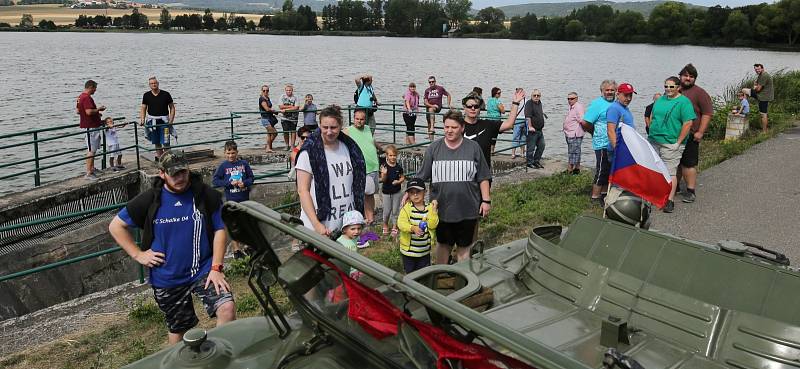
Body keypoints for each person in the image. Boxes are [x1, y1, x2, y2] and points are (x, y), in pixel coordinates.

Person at [108, 150, 235, 345]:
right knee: (179, 328)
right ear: (162, 174)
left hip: (203, 270)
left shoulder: (204, 195)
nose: (180, 178)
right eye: (174, 174)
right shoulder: (150, 200)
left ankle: (221, 356)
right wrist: (138, 254)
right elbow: (116, 226)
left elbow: (219, 230)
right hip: (168, 277)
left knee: (227, 308)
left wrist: (216, 267)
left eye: (183, 172)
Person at [417, 110, 491, 264]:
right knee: (443, 245)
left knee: (465, 247)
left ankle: (462, 278)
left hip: (468, 209)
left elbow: (483, 176)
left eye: (454, 127)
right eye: (446, 127)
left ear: (462, 128)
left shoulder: (473, 148)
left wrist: (486, 201)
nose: (449, 131)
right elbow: (421, 176)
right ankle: (441, 276)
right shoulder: (433, 148)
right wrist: (408, 192)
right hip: (441, 210)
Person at [295, 105, 366, 235]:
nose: (329, 132)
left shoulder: (349, 148)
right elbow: (302, 190)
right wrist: (316, 224)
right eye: (325, 127)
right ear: (319, 126)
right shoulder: (309, 152)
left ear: (340, 126)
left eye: (333, 127)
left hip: (345, 224)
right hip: (319, 226)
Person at [647, 77, 697, 213]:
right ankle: (653, 196)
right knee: (654, 170)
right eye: (666, 87)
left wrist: (678, 142)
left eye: (671, 87)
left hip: (671, 143)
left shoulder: (684, 102)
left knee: (670, 173)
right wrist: (651, 129)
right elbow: (653, 115)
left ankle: (670, 200)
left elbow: (688, 123)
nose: (668, 89)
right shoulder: (660, 100)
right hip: (654, 140)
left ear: (678, 87)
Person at [676, 64, 714, 204]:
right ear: (680, 76)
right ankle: (676, 188)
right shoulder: (673, 89)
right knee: (676, 163)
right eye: (686, 75)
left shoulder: (699, 93)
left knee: (688, 164)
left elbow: (707, 113)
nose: (688, 78)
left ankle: (690, 191)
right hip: (673, 135)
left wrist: (700, 132)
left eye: (691, 76)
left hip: (691, 134)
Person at [462, 89, 526, 171]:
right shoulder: (457, 126)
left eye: (476, 106)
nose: (473, 108)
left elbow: (509, 124)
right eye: (469, 106)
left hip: (483, 173)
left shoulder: (487, 125)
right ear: (464, 107)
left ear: (480, 108)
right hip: (462, 173)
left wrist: (515, 103)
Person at [212, 140, 255, 259]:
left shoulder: (244, 164)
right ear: (224, 153)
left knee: (245, 223)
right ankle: (236, 249)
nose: (231, 155)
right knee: (234, 225)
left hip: (244, 199)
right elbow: (215, 181)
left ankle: (247, 246)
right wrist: (229, 183)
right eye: (228, 153)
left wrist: (244, 183)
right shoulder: (223, 166)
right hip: (231, 200)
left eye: (233, 153)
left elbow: (251, 178)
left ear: (237, 152)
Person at [344, 109, 382, 225]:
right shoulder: (348, 131)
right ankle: (369, 218)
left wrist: (382, 148)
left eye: (362, 119)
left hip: (374, 166)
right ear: (353, 118)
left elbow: (372, 141)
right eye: (357, 119)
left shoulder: (367, 128)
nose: (359, 121)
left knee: (372, 193)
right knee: (367, 194)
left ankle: (370, 217)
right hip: (362, 168)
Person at [582, 80, 617, 205]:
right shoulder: (597, 104)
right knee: (602, 169)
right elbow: (585, 122)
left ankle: (604, 194)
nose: (609, 92)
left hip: (613, 143)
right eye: (607, 90)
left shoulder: (617, 103)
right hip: (601, 142)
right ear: (602, 91)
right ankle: (595, 197)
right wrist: (593, 132)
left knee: (609, 170)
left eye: (612, 90)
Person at [397, 178, 439, 274]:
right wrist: (412, 228)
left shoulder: (429, 208)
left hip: (424, 252)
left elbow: (433, 225)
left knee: (423, 274)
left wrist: (433, 210)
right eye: (412, 192)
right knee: (410, 275)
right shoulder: (407, 209)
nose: (415, 195)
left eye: (418, 192)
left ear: (425, 192)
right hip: (409, 252)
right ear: (408, 195)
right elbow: (401, 223)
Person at [140, 76, 176, 160]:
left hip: (164, 122)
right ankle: (160, 159)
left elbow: (172, 107)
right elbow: (143, 108)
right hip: (152, 122)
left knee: (166, 142)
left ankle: (168, 159)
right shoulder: (146, 95)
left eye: (155, 83)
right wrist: (142, 119)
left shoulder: (166, 94)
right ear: (149, 85)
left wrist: (171, 120)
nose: (154, 85)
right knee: (156, 142)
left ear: (158, 84)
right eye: (152, 83)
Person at [77, 79, 106, 180]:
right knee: (91, 150)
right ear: (90, 87)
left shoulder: (80, 97)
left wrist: (96, 114)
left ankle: (92, 168)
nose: (95, 91)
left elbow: (78, 111)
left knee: (93, 148)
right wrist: (99, 109)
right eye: (94, 89)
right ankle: (88, 173)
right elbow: (88, 112)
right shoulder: (87, 98)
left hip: (91, 125)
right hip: (90, 127)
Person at [379, 145, 405, 237]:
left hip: (397, 192)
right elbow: (383, 180)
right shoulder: (384, 166)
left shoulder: (398, 167)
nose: (392, 157)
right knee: (387, 211)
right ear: (387, 156)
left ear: (396, 156)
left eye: (394, 155)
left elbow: (402, 178)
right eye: (390, 155)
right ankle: (385, 224)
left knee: (395, 211)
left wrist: (398, 181)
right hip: (386, 192)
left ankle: (394, 226)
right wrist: (384, 174)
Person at [606, 83, 637, 151]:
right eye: (626, 95)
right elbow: (610, 131)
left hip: (627, 147)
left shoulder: (624, 107)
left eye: (630, 95)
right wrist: (618, 151)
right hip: (618, 151)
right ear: (617, 95)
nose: (628, 98)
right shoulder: (614, 108)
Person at [743, 63, 773, 131]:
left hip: (763, 97)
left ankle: (764, 131)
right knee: (744, 90)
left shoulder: (764, 75)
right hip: (762, 95)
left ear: (762, 68)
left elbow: (758, 89)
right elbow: (756, 85)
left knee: (763, 114)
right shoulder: (761, 75)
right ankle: (745, 106)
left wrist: (755, 87)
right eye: (756, 69)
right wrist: (755, 86)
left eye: (758, 69)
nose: (757, 71)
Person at [337, 210, 366, 279]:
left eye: (359, 228)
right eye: (352, 229)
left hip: (358, 269)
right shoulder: (339, 242)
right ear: (344, 230)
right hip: (347, 272)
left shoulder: (357, 238)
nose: (356, 231)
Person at [423, 76, 452, 141]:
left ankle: (433, 127)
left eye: (432, 82)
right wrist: (431, 105)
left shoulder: (440, 88)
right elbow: (425, 102)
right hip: (429, 107)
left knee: (431, 110)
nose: (431, 83)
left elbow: (448, 94)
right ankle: (431, 141)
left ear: (435, 82)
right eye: (430, 82)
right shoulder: (427, 90)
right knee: (429, 123)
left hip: (437, 106)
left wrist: (448, 104)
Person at [562, 92, 585, 174]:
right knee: (575, 151)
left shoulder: (578, 107)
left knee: (573, 152)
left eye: (572, 99)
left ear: (576, 98)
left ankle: (570, 170)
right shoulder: (572, 107)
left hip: (575, 134)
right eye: (568, 99)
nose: (569, 100)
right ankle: (576, 169)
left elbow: (582, 120)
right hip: (570, 133)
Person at [524, 89, 546, 169]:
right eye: (534, 95)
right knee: (531, 148)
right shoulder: (529, 103)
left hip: (539, 130)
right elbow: (528, 116)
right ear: (531, 96)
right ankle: (529, 162)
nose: (536, 97)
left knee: (542, 145)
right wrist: (530, 127)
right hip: (532, 130)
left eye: (538, 95)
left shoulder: (539, 103)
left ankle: (536, 161)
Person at [279, 84, 301, 150]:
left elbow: (296, 107)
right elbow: (280, 106)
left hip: (293, 117)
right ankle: (286, 145)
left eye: (290, 90)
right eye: (287, 90)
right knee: (285, 131)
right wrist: (291, 106)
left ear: (292, 90)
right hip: (284, 117)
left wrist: (286, 109)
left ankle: (292, 146)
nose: (289, 91)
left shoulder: (296, 97)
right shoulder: (282, 97)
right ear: (285, 91)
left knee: (293, 131)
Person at [259, 85, 278, 153]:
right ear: (262, 91)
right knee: (274, 133)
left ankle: (269, 147)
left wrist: (273, 111)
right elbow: (266, 108)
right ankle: (267, 147)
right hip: (265, 119)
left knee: (269, 134)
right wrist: (274, 111)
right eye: (264, 90)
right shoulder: (262, 99)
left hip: (270, 118)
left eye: (267, 90)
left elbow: (269, 108)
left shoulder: (267, 98)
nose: (265, 92)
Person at [510, 88, 528, 159]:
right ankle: (522, 153)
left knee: (515, 137)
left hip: (517, 120)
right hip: (525, 120)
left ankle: (513, 153)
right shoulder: (526, 101)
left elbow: (513, 111)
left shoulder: (515, 101)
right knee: (523, 137)